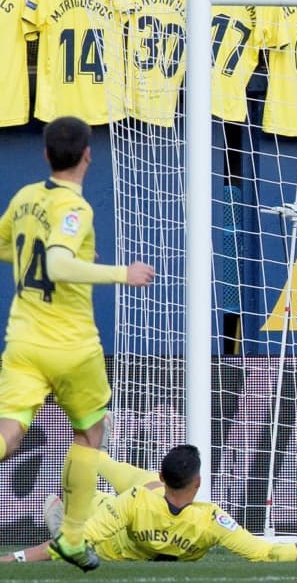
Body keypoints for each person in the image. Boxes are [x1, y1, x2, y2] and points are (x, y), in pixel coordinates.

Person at [0, 116, 156, 570]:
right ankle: (71, 537)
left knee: (10, 431)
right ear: (88, 153)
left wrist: (62, 256)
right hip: (71, 346)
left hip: (23, 340)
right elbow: (58, 265)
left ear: (46, 154)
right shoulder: (76, 208)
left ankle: (71, 537)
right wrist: (121, 274)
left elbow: (14, 248)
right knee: (89, 433)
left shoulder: (26, 197)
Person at [1, 444, 297, 563]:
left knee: (75, 479)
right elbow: (270, 553)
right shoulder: (212, 520)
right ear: (199, 483)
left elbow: (69, 545)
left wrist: (12, 558)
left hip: (112, 528)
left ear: (165, 478)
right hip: (125, 528)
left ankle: (94, 459)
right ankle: (96, 461)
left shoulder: (135, 501)